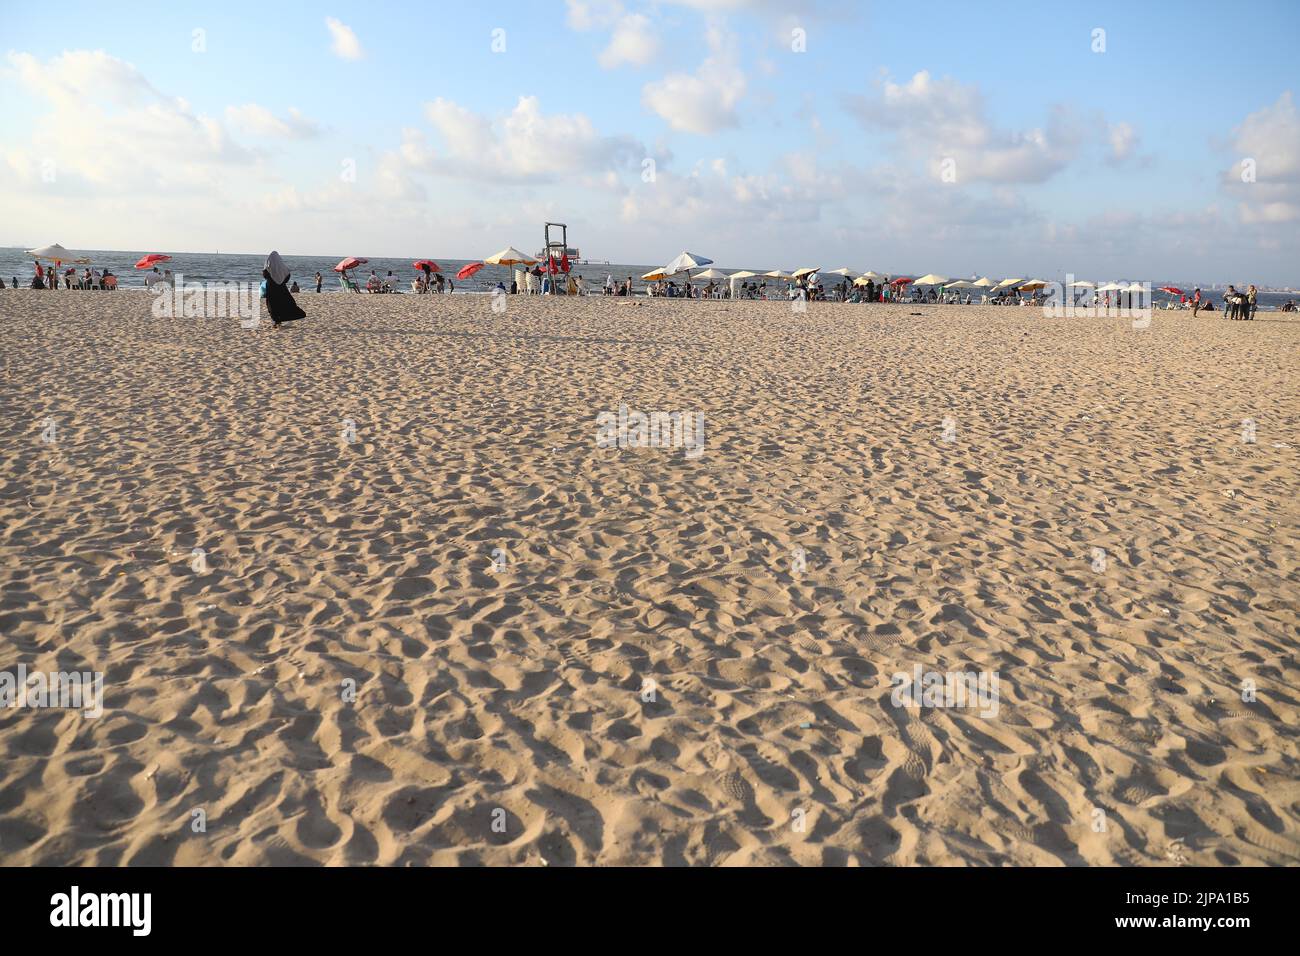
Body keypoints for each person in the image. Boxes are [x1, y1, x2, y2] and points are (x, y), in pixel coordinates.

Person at [263, 251, 306, 328]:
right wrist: (280, 280)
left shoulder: (267, 268)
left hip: (271, 288)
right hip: (281, 288)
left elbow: (265, 276)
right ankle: (279, 321)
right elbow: (287, 277)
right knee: (284, 303)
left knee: (272, 305)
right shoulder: (283, 268)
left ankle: (276, 322)